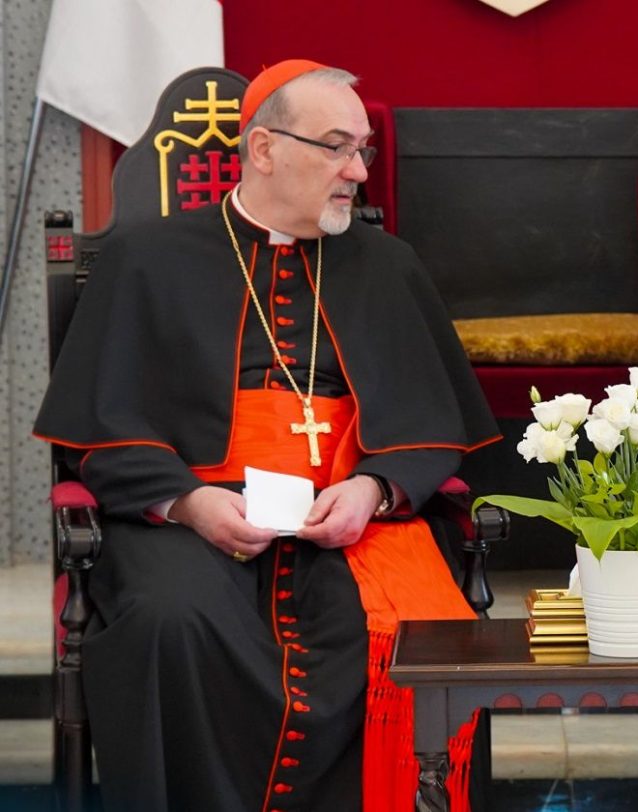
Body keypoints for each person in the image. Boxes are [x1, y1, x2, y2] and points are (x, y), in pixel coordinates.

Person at [35, 60, 499, 811]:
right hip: (193, 509)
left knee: (405, 632)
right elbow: (104, 426)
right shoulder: (147, 258)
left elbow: (429, 422)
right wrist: (186, 504)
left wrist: (375, 490)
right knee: (171, 619)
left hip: (347, 516)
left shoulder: (387, 265)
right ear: (262, 149)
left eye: (364, 150)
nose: (357, 170)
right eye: (336, 146)